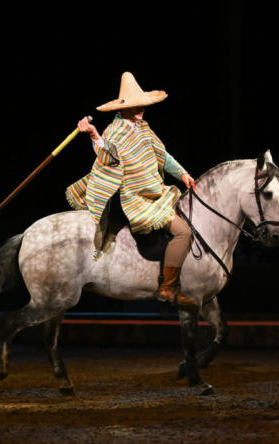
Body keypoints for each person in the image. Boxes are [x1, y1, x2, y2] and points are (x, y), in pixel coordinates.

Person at [66, 72, 195, 305]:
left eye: (142, 105)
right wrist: (94, 135)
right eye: (136, 106)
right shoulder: (114, 131)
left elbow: (162, 156)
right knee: (184, 232)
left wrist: (183, 173)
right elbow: (108, 154)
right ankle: (167, 288)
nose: (141, 109)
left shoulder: (143, 126)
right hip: (137, 199)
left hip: (157, 192)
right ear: (124, 108)